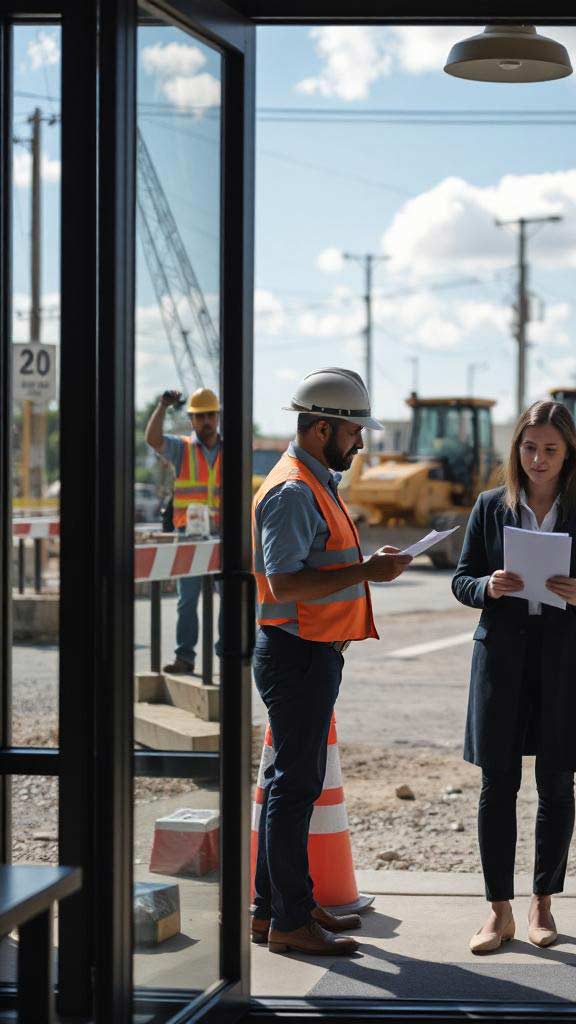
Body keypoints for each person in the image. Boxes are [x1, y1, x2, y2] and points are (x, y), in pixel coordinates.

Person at [452, 400, 576, 955]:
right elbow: (461, 579)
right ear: (516, 450)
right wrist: (487, 587)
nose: (538, 459)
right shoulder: (489, 506)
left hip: (564, 663)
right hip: (500, 660)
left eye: (550, 449)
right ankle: (498, 910)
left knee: (556, 784)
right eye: (529, 448)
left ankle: (542, 902)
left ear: (569, 451)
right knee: (496, 784)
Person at [251, 367, 412, 956]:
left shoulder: (314, 482)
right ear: (321, 429)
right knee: (295, 789)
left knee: (288, 787)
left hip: (308, 654)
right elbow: (285, 582)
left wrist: (366, 566)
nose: (361, 443)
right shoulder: (294, 490)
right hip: (297, 655)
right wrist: (367, 572)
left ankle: (275, 909)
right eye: (353, 433)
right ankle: (289, 921)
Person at [145, 387, 224, 674]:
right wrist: (162, 406)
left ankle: (226, 655)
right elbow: (153, 439)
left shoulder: (232, 449)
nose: (206, 421)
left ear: (217, 417)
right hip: (190, 536)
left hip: (222, 536)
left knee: (229, 598)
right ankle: (185, 658)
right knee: (187, 601)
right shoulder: (183, 449)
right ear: (191, 419)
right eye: (200, 416)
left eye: (210, 415)